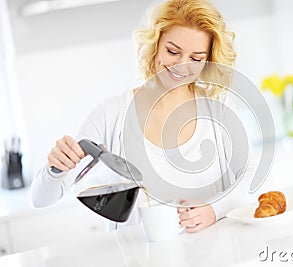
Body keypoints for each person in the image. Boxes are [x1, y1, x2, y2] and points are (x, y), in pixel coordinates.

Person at [31, 0, 256, 233]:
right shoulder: (111, 114)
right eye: (172, 51)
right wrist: (55, 168)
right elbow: (41, 199)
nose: (181, 65)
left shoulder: (218, 107)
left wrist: (214, 209)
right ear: (155, 45)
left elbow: (251, 177)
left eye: (196, 58)